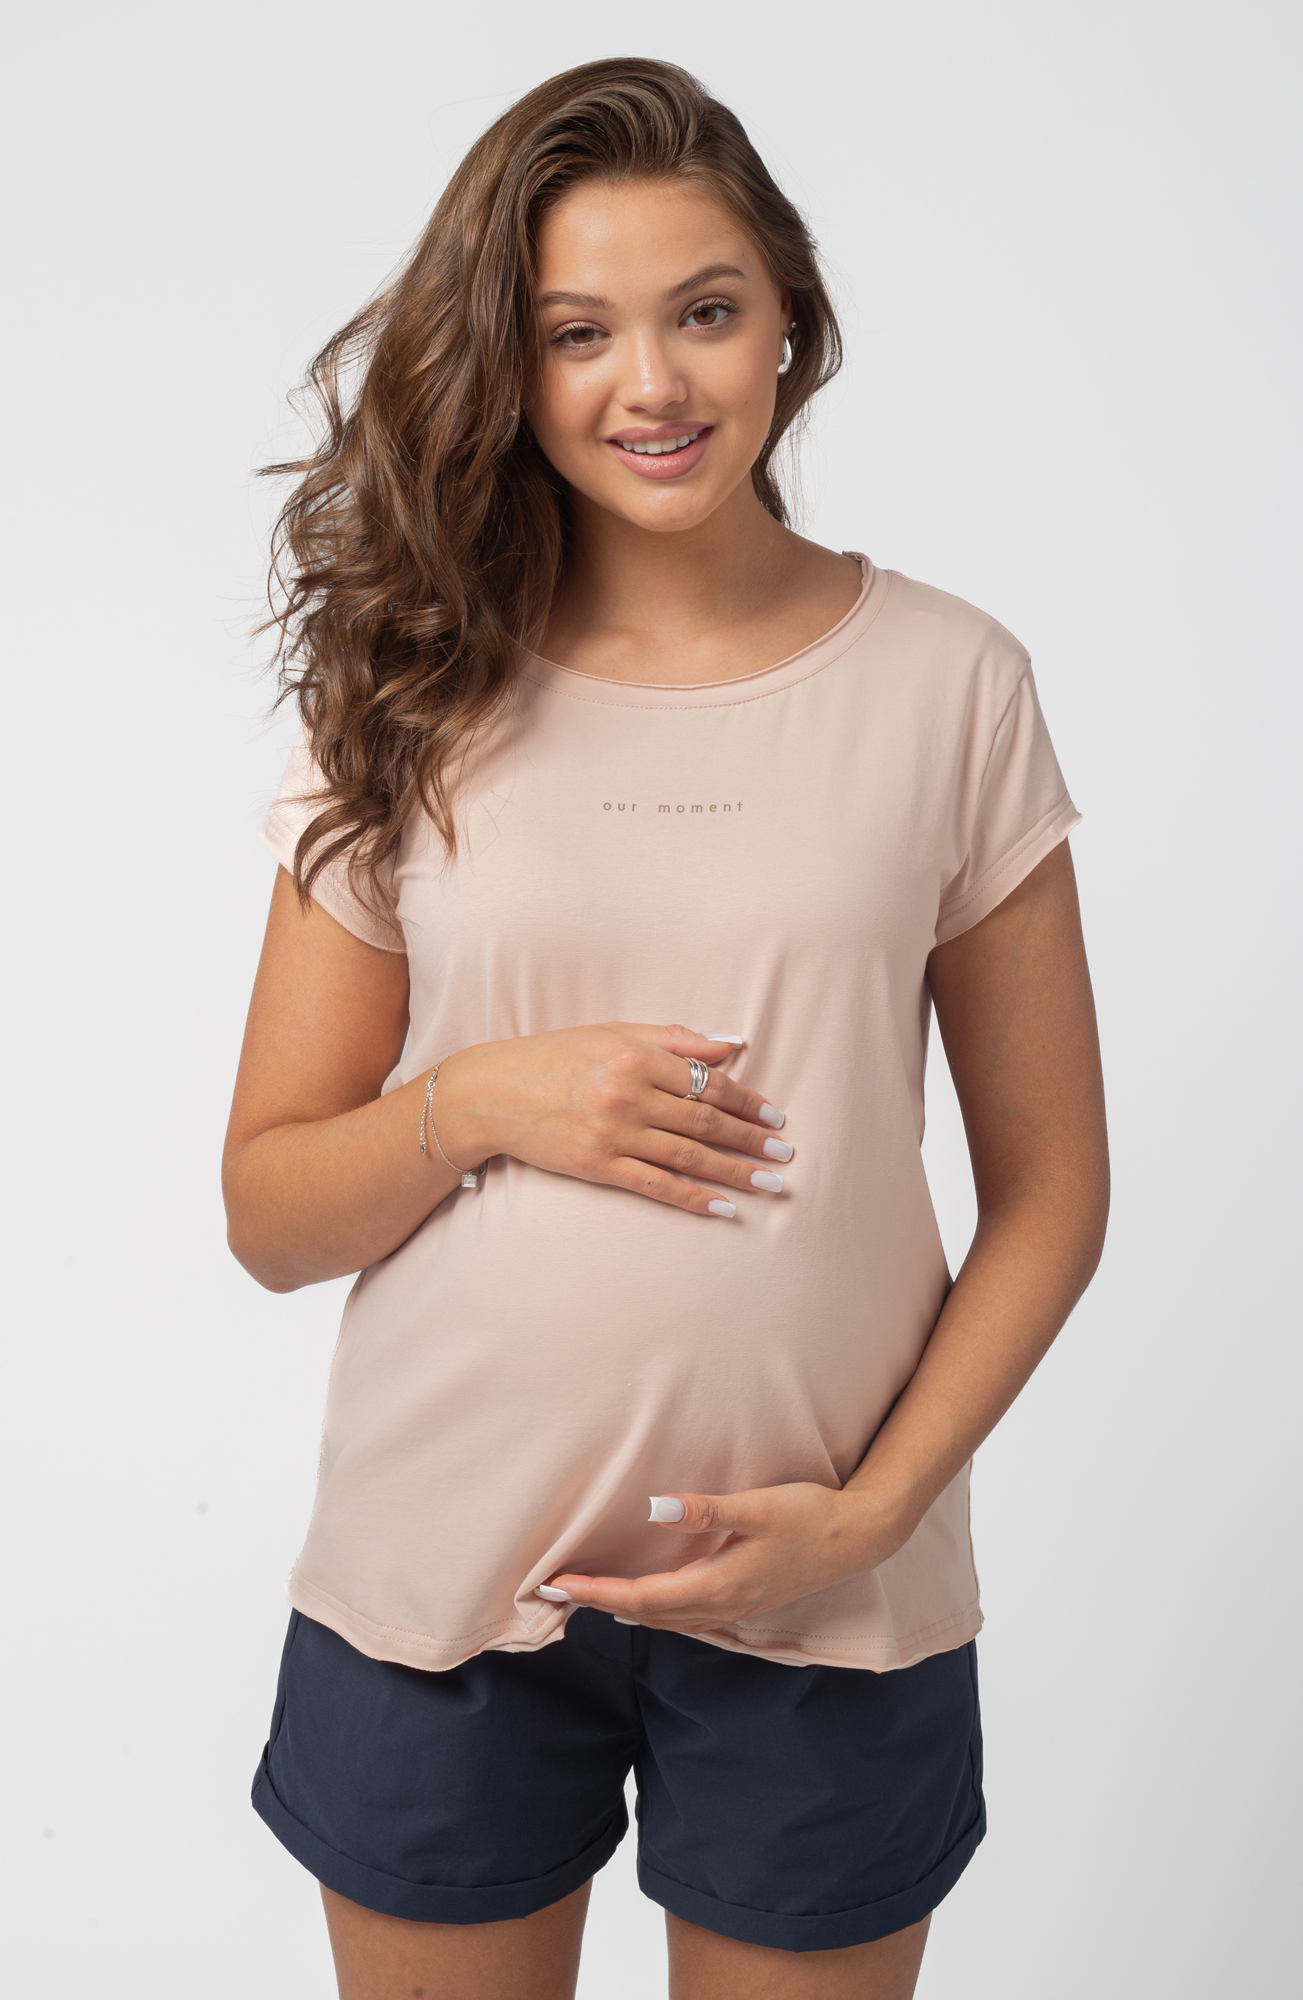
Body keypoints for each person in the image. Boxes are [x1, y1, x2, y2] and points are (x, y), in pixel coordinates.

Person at [222, 55, 1109, 2000]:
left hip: (830, 1597)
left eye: (702, 310)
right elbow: (270, 1215)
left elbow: (1053, 1189)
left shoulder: (949, 683)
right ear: (511, 364)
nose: (652, 383)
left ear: (785, 315)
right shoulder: (407, 693)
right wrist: (477, 1099)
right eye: (577, 332)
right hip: (442, 1588)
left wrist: (868, 1518)